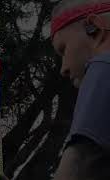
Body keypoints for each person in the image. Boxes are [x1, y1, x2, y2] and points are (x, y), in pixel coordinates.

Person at [51, 1, 110, 179]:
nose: (63, 69)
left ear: (94, 28)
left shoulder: (102, 66)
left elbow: (81, 160)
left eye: (63, 49)